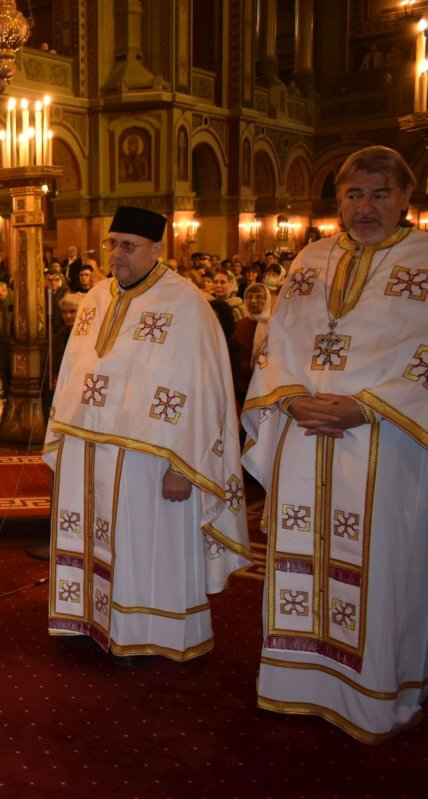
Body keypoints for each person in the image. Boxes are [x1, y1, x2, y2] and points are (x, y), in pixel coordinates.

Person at [241, 145, 428, 743]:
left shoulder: (425, 261)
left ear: (405, 198)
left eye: (380, 194)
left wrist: (367, 406)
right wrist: (291, 398)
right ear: (339, 201)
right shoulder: (310, 259)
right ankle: (298, 682)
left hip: (387, 440)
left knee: (385, 562)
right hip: (304, 434)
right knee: (300, 547)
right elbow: (276, 342)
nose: (365, 207)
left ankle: (378, 691)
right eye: (354, 195)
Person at [44, 205, 251, 664]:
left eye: (128, 246)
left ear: (157, 249)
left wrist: (184, 466)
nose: (116, 254)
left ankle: (146, 630)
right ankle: (88, 618)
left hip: (151, 458)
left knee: (142, 544)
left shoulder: (186, 304)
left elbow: (205, 389)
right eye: (112, 244)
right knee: (93, 534)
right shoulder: (97, 296)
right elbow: (76, 369)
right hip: (89, 447)